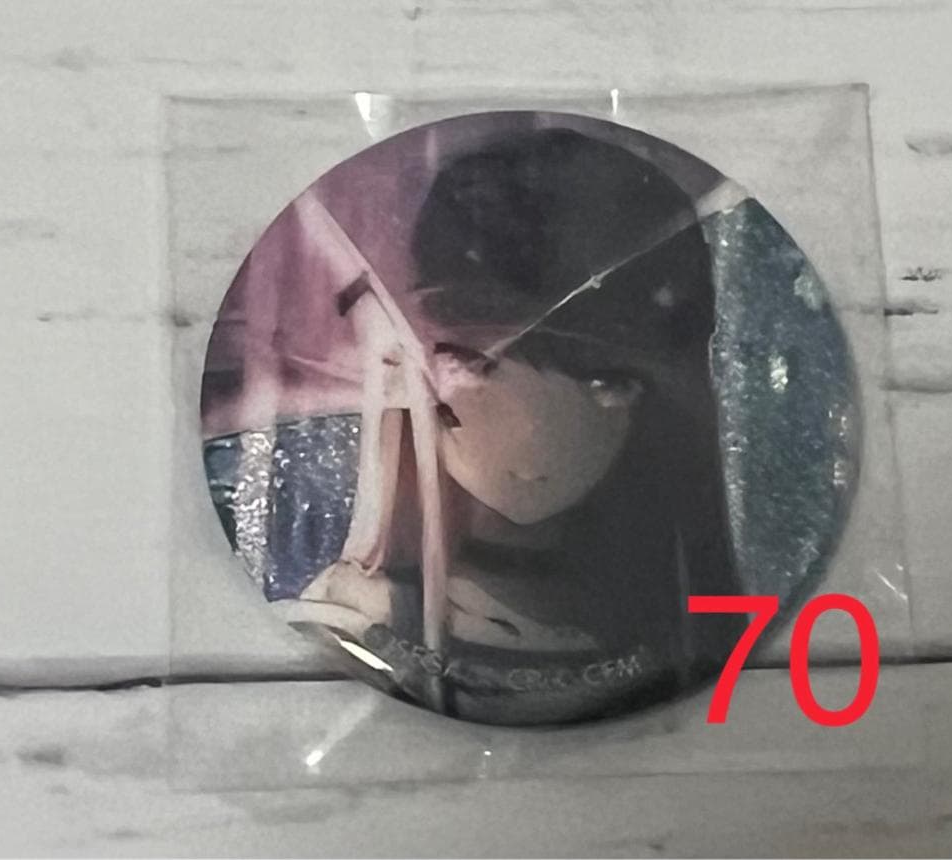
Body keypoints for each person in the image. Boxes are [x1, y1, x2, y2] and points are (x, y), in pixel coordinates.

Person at [288, 128, 745, 724]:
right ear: (408, 365)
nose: (532, 439)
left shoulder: (691, 627)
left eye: (606, 383)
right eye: (474, 367)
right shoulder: (350, 617)